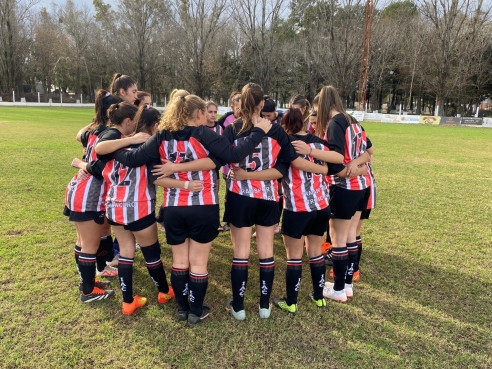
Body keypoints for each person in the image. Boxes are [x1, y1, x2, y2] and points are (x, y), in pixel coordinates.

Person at [95, 90, 272, 324]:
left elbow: (132, 159)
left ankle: (182, 308)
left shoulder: (162, 136)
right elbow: (234, 154)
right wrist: (260, 130)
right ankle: (195, 310)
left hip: (174, 208)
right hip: (203, 205)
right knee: (198, 263)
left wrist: (118, 145)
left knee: (180, 262)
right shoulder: (204, 134)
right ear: (199, 113)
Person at [222, 83, 329, 320]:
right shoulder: (276, 131)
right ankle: (264, 306)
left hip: (240, 197)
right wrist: (326, 169)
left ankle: (238, 307)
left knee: (241, 251)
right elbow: (282, 170)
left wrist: (242, 175)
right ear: (262, 104)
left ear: (241, 103)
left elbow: (226, 163)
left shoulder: (233, 128)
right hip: (268, 198)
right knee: (266, 251)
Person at [93, 104, 177, 315]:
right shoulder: (149, 148)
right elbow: (157, 178)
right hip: (138, 208)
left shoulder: (115, 146)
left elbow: (99, 151)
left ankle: (128, 302)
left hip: (115, 208)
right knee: (151, 253)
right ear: (155, 126)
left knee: (126, 252)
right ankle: (164, 292)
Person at [292, 85, 373, 303]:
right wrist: (357, 166)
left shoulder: (336, 123)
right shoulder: (352, 120)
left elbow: (336, 156)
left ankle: (338, 289)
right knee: (350, 237)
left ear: (323, 104)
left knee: (338, 239)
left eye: (317, 109)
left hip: (344, 187)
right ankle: (346, 286)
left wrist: (309, 151)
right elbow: (370, 151)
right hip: (361, 185)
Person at [65, 89, 127, 302]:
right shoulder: (110, 134)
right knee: (89, 246)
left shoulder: (94, 130)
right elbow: (100, 167)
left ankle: (88, 282)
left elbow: (80, 135)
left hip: (79, 189)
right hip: (89, 193)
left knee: (83, 242)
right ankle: (88, 291)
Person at [216, 91, 241, 232]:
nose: (240, 110)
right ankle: (228, 220)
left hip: (245, 164)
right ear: (232, 106)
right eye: (238, 107)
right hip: (228, 165)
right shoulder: (226, 120)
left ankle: (241, 219)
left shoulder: (251, 120)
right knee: (229, 194)